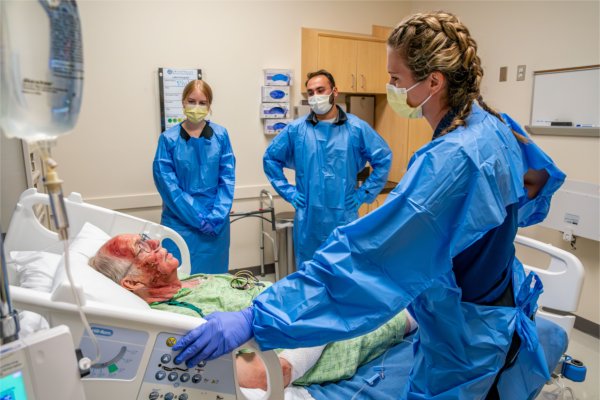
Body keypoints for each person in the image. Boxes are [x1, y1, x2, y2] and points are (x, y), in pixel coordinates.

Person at [172, 11, 567, 400]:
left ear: (434, 80)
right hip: (490, 304)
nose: (391, 87)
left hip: (464, 330)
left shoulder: (451, 160)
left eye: (396, 79)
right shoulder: (494, 126)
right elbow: (536, 180)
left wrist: (255, 318)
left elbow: (364, 265)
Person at [88, 233, 414, 391]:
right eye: (142, 248)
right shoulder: (178, 323)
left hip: (318, 304)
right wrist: (316, 322)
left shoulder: (194, 281)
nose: (157, 241)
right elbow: (266, 374)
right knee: (421, 304)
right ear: (130, 283)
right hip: (332, 333)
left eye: (147, 238)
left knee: (404, 277)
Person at [263, 69, 392, 266]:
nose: (315, 96)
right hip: (309, 219)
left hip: (344, 215)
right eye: (311, 93)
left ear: (334, 91)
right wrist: (289, 192)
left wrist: (363, 194)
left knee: (343, 273)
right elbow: (271, 159)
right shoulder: (296, 130)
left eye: (320, 90)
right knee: (309, 273)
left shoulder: (356, 128)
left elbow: (382, 158)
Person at [153, 79, 235, 274]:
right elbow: (168, 187)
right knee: (180, 280)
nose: (196, 107)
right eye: (191, 101)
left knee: (214, 282)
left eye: (202, 102)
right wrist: (199, 218)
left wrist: (215, 217)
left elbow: (227, 179)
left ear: (209, 106)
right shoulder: (169, 139)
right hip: (179, 224)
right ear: (183, 102)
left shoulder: (221, 136)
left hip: (215, 225)